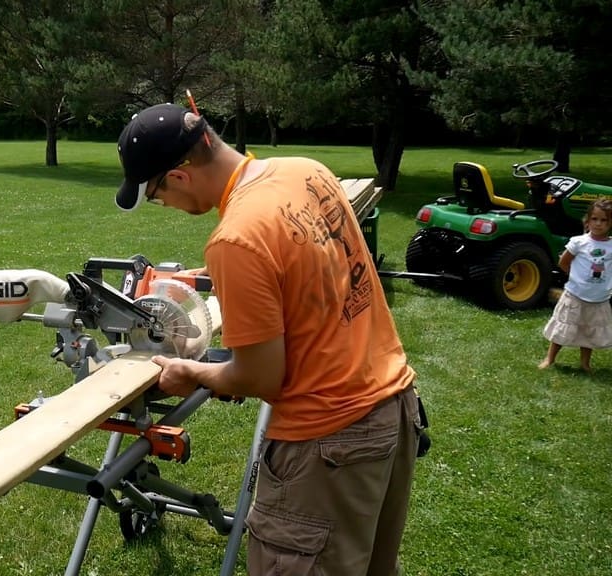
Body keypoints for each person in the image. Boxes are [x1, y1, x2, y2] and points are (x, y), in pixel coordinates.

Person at [114, 102, 423, 576]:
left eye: (156, 195)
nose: (165, 205)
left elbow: (260, 376)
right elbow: (312, 267)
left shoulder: (235, 238)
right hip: (392, 409)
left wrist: (189, 371)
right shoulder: (306, 171)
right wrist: (218, 279)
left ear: (178, 176)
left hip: (326, 442)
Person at [538, 198, 612, 373]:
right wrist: (576, 278)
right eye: (595, 219)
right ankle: (550, 358)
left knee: (589, 331)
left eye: (604, 220)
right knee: (564, 325)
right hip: (575, 295)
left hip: (598, 298)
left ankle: (585, 363)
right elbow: (563, 262)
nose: (598, 224)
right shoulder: (578, 242)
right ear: (588, 220)